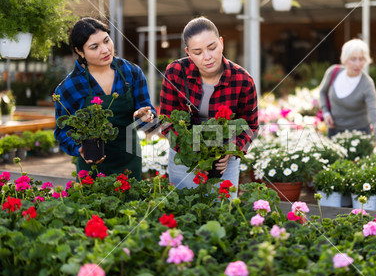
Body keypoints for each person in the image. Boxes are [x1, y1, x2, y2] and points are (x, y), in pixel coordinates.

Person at [160, 16, 259, 190]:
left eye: (212, 47)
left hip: (223, 164)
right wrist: (190, 152)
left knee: (222, 212)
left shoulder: (243, 80)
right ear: (188, 52)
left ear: (221, 43)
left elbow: (251, 126)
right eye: (197, 52)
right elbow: (167, 121)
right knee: (184, 210)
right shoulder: (175, 72)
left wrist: (231, 150)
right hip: (185, 161)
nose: (207, 57)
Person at [54, 17, 157, 180]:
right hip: (92, 168)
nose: (105, 50)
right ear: (80, 52)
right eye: (94, 47)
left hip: (129, 162)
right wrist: (79, 148)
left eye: (106, 41)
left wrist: (145, 116)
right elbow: (62, 131)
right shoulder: (69, 87)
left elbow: (146, 111)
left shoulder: (131, 72)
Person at [319, 38, 376, 150]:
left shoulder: (367, 83)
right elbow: (322, 92)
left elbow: (374, 112)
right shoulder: (333, 72)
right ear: (345, 59)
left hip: (359, 134)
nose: (358, 64)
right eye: (353, 59)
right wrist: (326, 113)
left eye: (361, 59)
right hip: (334, 130)